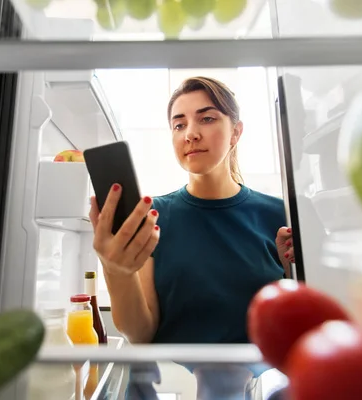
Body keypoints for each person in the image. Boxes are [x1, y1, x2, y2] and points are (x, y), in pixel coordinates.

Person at [89, 76, 294, 347]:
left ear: (236, 132)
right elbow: (139, 334)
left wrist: (292, 274)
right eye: (179, 124)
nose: (190, 134)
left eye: (207, 119)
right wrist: (116, 271)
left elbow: (298, 322)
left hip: (259, 384)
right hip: (174, 384)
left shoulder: (280, 214)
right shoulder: (152, 217)